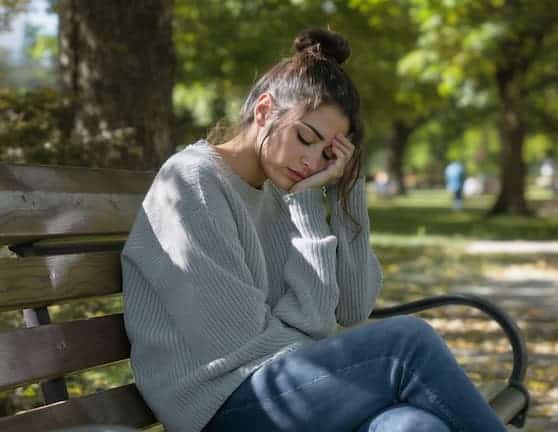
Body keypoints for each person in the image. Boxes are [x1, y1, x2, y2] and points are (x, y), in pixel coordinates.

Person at [121, 28, 505, 432]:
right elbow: (244, 342)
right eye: (305, 138)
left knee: (412, 426)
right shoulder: (194, 181)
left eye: (327, 154)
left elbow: (353, 306)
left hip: (287, 387)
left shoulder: (284, 189)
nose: (311, 162)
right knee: (406, 345)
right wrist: (321, 344)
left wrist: (345, 190)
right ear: (264, 111)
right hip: (218, 405)